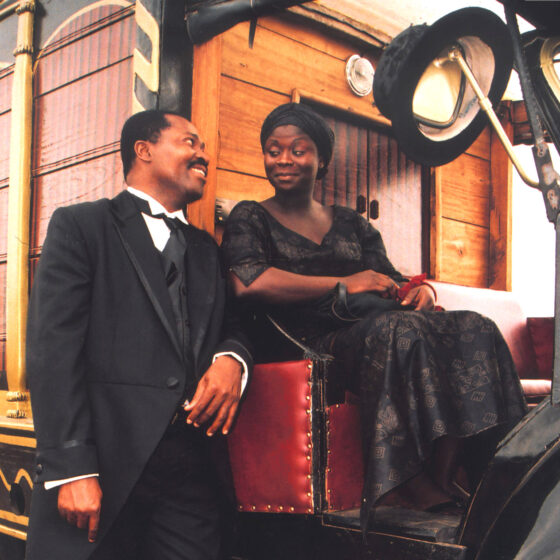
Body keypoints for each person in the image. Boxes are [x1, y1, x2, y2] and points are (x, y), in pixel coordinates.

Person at [221, 102, 527, 528]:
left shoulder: (351, 222)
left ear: (321, 160)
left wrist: (420, 291)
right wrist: (345, 283)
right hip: (304, 340)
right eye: (274, 151)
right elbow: (248, 282)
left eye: (298, 150)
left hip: (370, 325)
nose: (284, 160)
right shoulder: (251, 216)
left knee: (476, 326)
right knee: (395, 329)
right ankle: (404, 480)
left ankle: (472, 471)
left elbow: (387, 280)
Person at [26, 110, 253, 560]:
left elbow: (235, 324)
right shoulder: (81, 226)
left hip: (191, 474)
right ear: (143, 150)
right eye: (190, 142)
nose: (204, 155)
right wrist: (72, 468)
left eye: (204, 146)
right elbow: (54, 350)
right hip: (105, 467)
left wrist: (233, 359)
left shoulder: (207, 249)